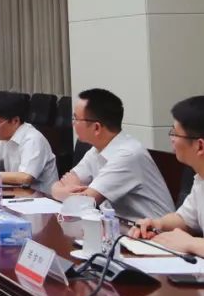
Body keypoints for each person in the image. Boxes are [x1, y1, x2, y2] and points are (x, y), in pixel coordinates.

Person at [130, 95, 204, 260]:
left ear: (200, 146)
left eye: (175, 133)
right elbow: (185, 219)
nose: (172, 139)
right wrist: (157, 224)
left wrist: (190, 243)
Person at [51, 88, 173, 220]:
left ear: (96, 127)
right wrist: (62, 191)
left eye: (76, 118)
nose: (73, 123)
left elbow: (83, 203)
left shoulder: (127, 155)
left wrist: (65, 193)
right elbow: (59, 185)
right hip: (121, 226)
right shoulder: (96, 150)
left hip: (155, 230)